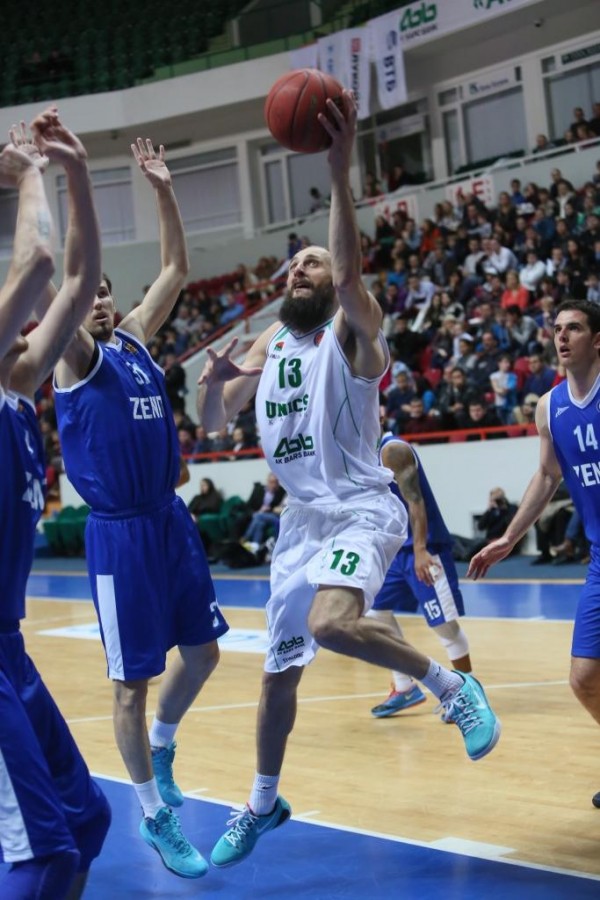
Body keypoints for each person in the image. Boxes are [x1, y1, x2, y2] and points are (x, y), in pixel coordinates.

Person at [197, 89, 500, 870]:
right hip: (301, 522)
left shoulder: (353, 335)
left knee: (333, 623)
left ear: (336, 281)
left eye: (315, 261)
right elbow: (212, 418)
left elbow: (348, 274)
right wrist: (213, 382)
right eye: (293, 262)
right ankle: (262, 803)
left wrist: (338, 172)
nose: (301, 266)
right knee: (278, 678)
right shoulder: (270, 347)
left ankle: (451, 687)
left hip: (363, 507)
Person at [53, 138, 229, 879]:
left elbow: (176, 269)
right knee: (130, 683)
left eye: (105, 291)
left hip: (169, 518)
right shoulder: (74, 358)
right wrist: (75, 181)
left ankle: (162, 744)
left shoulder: (131, 341)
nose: (97, 299)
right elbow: (70, 283)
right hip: (120, 535)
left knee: (206, 652)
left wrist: (163, 188)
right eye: (86, 292)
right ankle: (155, 816)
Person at [0, 110, 111, 898]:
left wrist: (76, 171)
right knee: (44, 855)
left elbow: (75, 283)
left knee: (85, 824)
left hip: (8, 647)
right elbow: (39, 264)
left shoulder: (15, 388)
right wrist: (29, 175)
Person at [468, 299, 600, 806]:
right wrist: (509, 537)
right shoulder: (549, 406)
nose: (562, 337)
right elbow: (547, 475)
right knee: (585, 678)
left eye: (575, 328)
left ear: (597, 339)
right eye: (557, 329)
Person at [368, 434, 472, 718]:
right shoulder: (356, 455)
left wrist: (420, 549)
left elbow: (416, 501)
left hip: (423, 548)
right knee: (375, 614)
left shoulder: (393, 450)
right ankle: (404, 687)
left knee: (444, 626)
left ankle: (467, 696)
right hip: (392, 551)